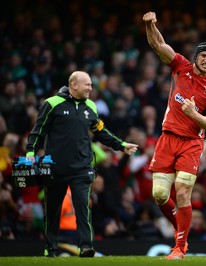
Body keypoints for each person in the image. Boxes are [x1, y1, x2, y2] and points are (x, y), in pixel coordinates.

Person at [25, 71, 138, 257]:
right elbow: (38, 131)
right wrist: (30, 151)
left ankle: (86, 247)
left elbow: (101, 132)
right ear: (74, 85)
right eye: (87, 85)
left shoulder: (91, 106)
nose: (90, 89)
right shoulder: (52, 103)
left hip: (82, 169)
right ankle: (50, 249)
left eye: (91, 85)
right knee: (52, 211)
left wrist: (122, 145)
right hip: (55, 168)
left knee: (83, 209)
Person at [143, 11, 206, 260]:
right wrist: (150, 24)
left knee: (183, 191)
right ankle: (180, 229)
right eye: (204, 55)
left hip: (191, 143)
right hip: (168, 138)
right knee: (159, 195)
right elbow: (157, 44)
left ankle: (180, 247)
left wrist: (193, 114)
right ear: (196, 57)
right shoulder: (180, 67)